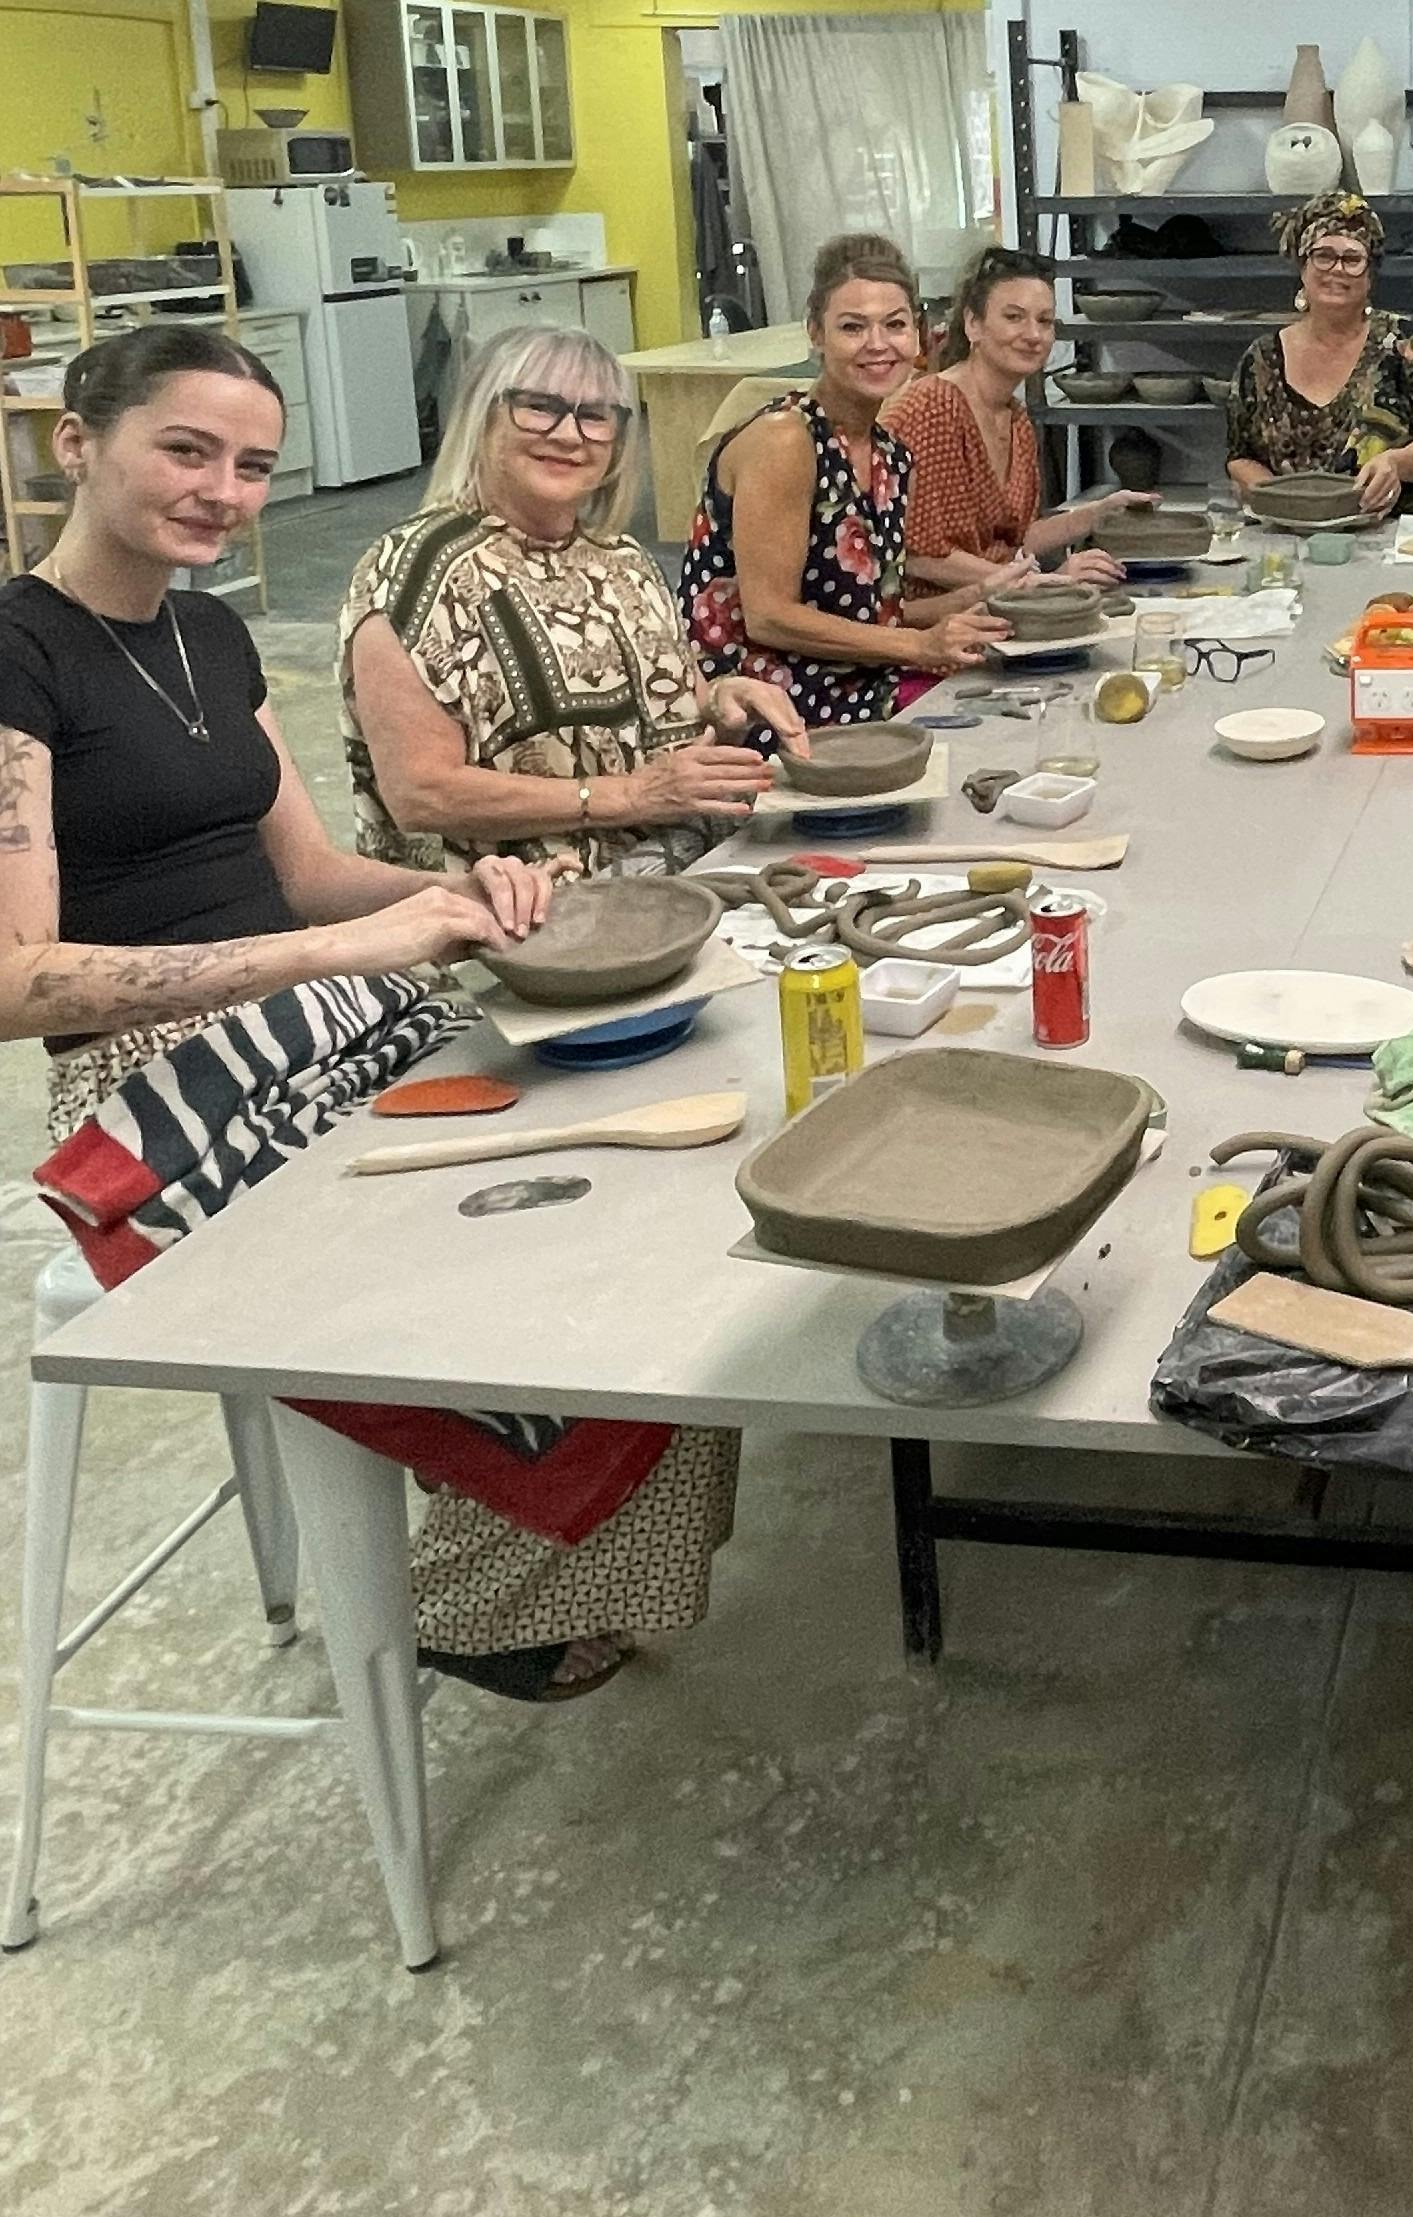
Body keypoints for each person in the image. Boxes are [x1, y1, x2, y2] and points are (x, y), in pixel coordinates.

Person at [0, 330, 698, 1706]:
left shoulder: (207, 629)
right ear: (78, 443)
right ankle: (460, 1598)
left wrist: (469, 890)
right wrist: (328, 948)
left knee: (633, 1207)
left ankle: (524, 1571)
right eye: (186, 450)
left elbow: (313, 870)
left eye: (253, 465)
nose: (223, 491)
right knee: (523, 1266)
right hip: (155, 1093)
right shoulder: (20, 656)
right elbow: (17, 980)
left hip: (315, 1012)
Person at [340, 325, 806, 879]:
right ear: (482, 417)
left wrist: (725, 699)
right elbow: (420, 794)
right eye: (539, 408)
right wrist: (629, 796)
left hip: (674, 867)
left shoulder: (622, 558)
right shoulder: (415, 572)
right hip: (517, 914)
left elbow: (675, 709)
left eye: (595, 415)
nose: (569, 435)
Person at [679, 232, 1006, 726]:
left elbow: (862, 614)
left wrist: (962, 604)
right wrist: (918, 644)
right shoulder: (786, 440)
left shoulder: (891, 457)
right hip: (763, 712)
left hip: (858, 694)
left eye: (894, 325)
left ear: (918, 334)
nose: (877, 345)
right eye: (852, 327)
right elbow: (769, 615)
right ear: (816, 333)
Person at [884, 244, 1151, 590]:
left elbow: (1011, 541)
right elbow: (921, 555)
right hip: (934, 622)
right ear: (973, 324)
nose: (1033, 335)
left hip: (994, 605)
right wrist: (1042, 582)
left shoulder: (1015, 419)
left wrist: (1098, 514)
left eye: (1044, 321)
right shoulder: (934, 407)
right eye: (1014, 317)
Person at [1224, 192, 1413, 518]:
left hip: (1395, 532)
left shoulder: (1406, 345)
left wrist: (1395, 462)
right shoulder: (1261, 360)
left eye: (1352, 260)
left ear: (1369, 277)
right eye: (1323, 256)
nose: (1336, 270)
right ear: (1302, 268)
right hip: (1287, 530)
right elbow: (1239, 456)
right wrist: (1284, 501)